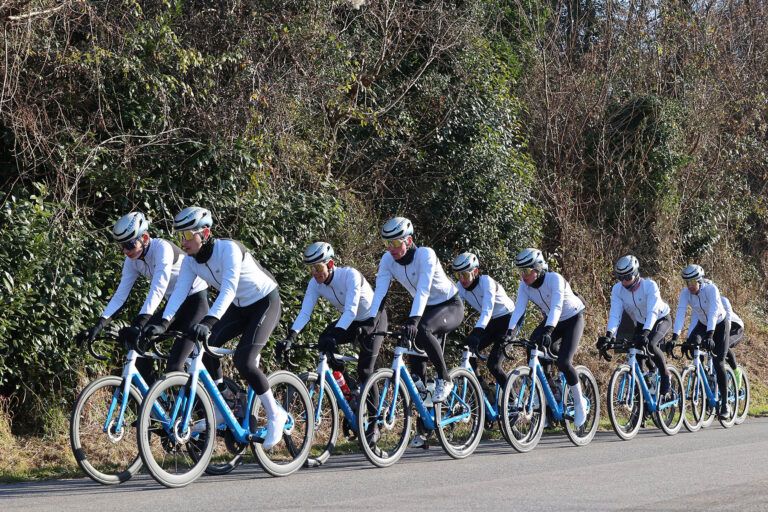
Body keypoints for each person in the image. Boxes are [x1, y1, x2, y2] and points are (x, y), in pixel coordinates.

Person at [142, 207, 286, 449]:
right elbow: (178, 294)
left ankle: (275, 414)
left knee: (245, 360)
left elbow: (229, 289)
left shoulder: (228, 249)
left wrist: (208, 322)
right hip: (239, 306)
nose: (183, 242)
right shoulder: (190, 262)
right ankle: (222, 405)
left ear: (205, 233)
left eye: (187, 235)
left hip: (264, 302)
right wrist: (164, 322)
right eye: (180, 236)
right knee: (206, 348)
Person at [77, 212, 209, 385]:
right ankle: (156, 401)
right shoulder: (132, 260)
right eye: (122, 246)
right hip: (174, 305)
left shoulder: (162, 249)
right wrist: (98, 325)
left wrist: (139, 325)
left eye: (130, 245)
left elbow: (158, 288)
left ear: (145, 237)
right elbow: (120, 296)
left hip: (196, 302)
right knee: (138, 346)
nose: (126, 251)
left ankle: (201, 408)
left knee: (174, 366)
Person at [276, 242, 387, 443]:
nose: (315, 273)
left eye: (318, 267)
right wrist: (291, 337)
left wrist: (335, 335)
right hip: (351, 322)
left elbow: (351, 310)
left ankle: (374, 422)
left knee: (365, 370)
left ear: (331, 263)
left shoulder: (349, 275)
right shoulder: (314, 284)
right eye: (311, 268)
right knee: (323, 342)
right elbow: (305, 313)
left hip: (372, 320)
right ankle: (350, 390)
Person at [504, 248, 588, 427]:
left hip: (572, 318)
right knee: (531, 346)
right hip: (552, 320)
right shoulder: (524, 286)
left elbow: (557, 307)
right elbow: (519, 311)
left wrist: (549, 332)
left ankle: (580, 403)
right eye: (520, 271)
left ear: (539, 268)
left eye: (527, 271)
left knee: (564, 362)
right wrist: (510, 334)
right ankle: (548, 398)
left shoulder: (554, 279)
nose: (523, 276)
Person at [597, 255, 673, 396]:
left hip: (660, 318)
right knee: (637, 353)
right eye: (620, 277)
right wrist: (609, 335)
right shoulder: (617, 290)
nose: (624, 281)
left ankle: (665, 374)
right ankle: (645, 391)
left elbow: (652, 312)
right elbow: (615, 314)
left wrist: (646, 332)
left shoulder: (649, 286)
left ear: (636, 273)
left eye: (627, 277)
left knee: (650, 344)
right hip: (641, 322)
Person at [670, 264, 731, 419]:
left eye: (692, 282)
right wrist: (675, 337)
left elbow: (712, 313)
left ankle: (725, 404)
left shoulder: (711, 290)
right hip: (703, 325)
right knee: (692, 344)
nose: (690, 286)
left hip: (719, 324)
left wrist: (710, 336)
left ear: (700, 280)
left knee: (718, 363)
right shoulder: (685, 293)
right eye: (687, 282)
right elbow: (680, 314)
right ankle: (704, 376)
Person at [452, 252, 515, 394]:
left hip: (508, 319)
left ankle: (513, 402)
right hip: (491, 322)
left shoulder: (486, 282)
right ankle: (482, 389)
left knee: (493, 365)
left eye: (465, 275)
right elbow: (454, 308)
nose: (462, 280)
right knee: (467, 351)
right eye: (458, 275)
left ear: (475, 272)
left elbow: (487, 310)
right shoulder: (460, 287)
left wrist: (476, 332)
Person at [686, 295, 744, 389]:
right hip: (713, 327)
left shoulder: (721, 300)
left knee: (722, 345)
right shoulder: (697, 305)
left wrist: (722, 339)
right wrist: (689, 339)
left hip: (734, 326)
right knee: (698, 344)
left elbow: (728, 318)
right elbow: (694, 324)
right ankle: (705, 374)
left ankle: (736, 370)